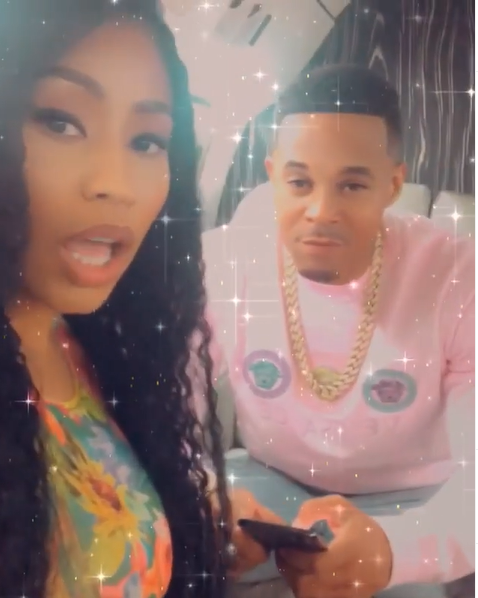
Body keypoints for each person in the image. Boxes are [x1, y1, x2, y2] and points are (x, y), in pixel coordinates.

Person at [0, 1, 280, 597]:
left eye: (147, 141)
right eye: (59, 122)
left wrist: (190, 517)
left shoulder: (92, 344)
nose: (116, 184)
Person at [202, 64, 475, 597]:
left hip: (409, 504)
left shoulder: (457, 278)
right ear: (273, 174)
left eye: (352, 184)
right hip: (266, 484)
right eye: (299, 182)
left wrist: (397, 552)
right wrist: (205, 496)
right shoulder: (224, 261)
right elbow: (167, 406)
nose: (321, 211)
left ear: (393, 184)